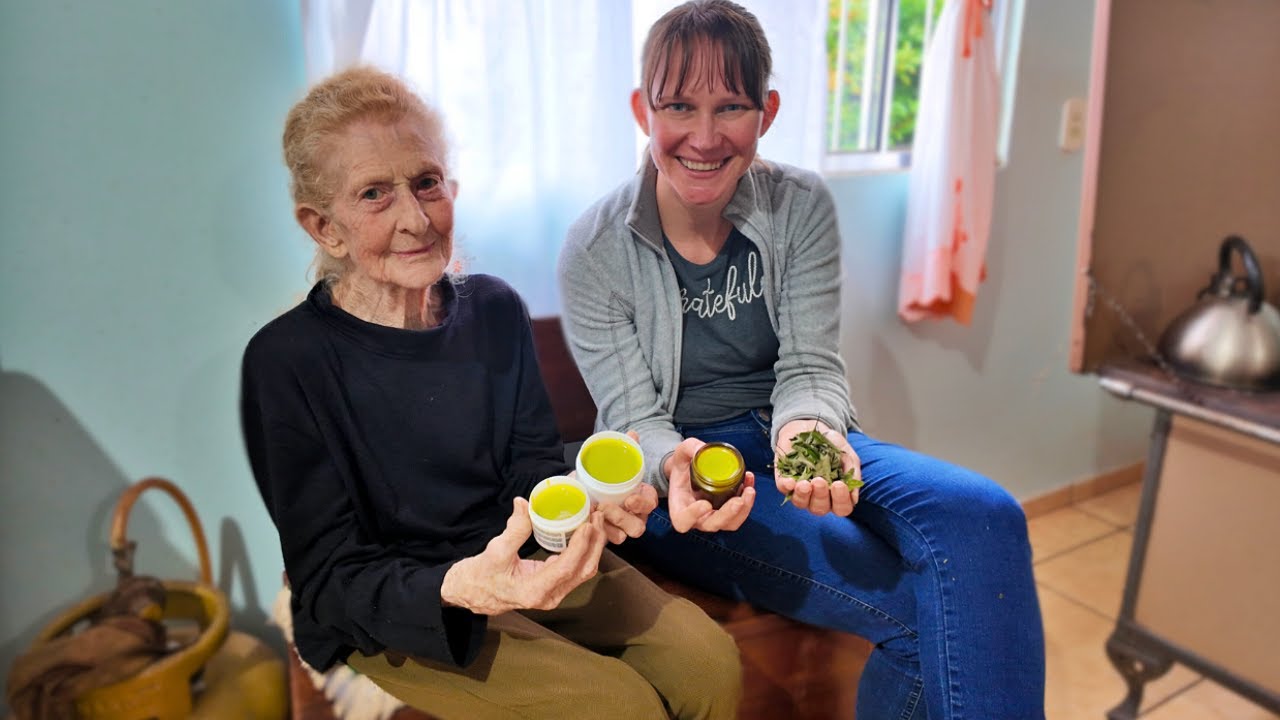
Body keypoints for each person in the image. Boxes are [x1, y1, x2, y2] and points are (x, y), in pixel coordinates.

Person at [557, 2, 1046, 718]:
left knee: (986, 516)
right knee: (919, 606)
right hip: (688, 480)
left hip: (792, 430)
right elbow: (634, 417)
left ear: (768, 112)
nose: (704, 137)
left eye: (731, 106)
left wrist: (807, 432)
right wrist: (675, 467)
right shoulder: (595, 249)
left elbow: (811, 365)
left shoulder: (800, 205)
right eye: (679, 106)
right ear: (643, 111)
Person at [240, 66, 741, 720]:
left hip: (518, 548)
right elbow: (333, 577)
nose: (416, 218)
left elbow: (531, 467)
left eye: (426, 182)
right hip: (406, 599)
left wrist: (597, 497)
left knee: (709, 662)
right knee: (618, 708)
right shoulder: (286, 364)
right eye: (374, 194)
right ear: (324, 227)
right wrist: (462, 586)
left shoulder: (495, 309)